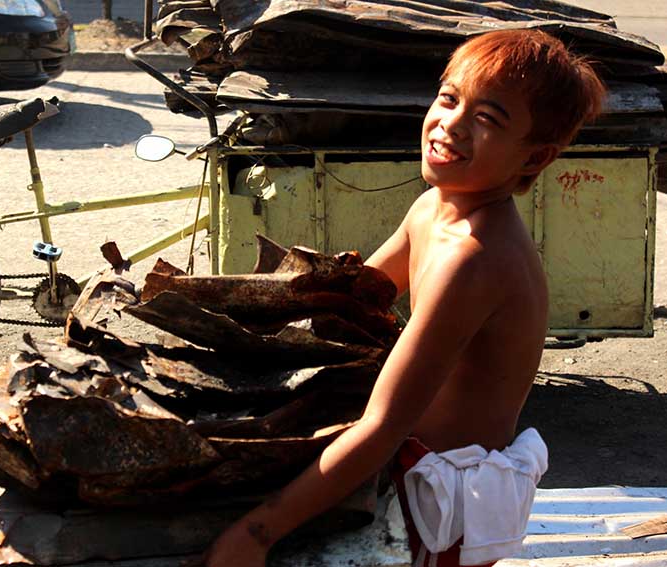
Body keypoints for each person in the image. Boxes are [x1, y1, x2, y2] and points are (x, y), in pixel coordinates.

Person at [203, 29, 605, 567]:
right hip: (407, 466)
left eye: (487, 119)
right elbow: (350, 302)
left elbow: (383, 426)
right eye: (448, 97)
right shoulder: (432, 207)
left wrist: (256, 533)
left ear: (534, 159)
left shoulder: (475, 259)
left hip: (441, 505)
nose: (452, 124)